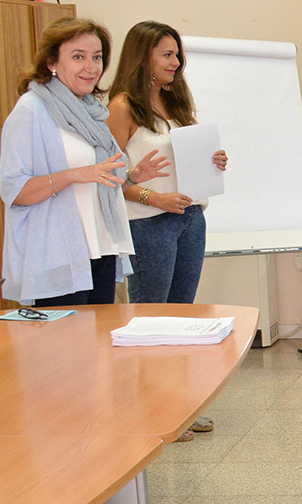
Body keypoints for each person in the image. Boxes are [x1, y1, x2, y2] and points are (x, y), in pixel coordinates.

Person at [0, 17, 168, 306]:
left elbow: (97, 178)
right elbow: (15, 191)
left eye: (97, 57)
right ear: (52, 61)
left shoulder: (92, 111)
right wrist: (74, 174)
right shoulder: (31, 110)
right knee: (64, 349)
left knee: (98, 348)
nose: (91, 67)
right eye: (78, 57)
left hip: (100, 248)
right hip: (58, 255)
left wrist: (132, 176)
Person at [108, 22, 229, 306]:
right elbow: (108, 179)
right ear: (142, 57)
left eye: (177, 55)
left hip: (191, 218)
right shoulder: (122, 107)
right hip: (149, 223)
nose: (176, 62)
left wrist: (212, 161)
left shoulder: (175, 102)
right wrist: (156, 198)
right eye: (167, 55)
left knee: (182, 311)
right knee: (151, 314)